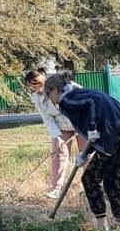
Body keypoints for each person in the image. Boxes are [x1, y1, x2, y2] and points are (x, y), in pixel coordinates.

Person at [43, 73, 120, 230]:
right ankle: (119, 225)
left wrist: (92, 127)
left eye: (47, 94)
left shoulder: (67, 100)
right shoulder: (79, 92)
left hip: (115, 138)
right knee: (105, 181)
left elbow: (95, 102)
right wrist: (86, 153)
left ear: (54, 90)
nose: (48, 99)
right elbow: (100, 124)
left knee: (93, 180)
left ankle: (109, 226)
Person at [25, 69, 79, 199]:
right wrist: (58, 137)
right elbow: (47, 118)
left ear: (44, 77)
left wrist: (82, 127)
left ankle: (97, 185)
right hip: (61, 127)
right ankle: (57, 189)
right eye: (30, 86)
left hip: (79, 123)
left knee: (86, 156)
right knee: (58, 154)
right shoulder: (37, 97)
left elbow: (83, 103)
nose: (34, 87)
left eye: (36, 82)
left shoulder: (66, 86)